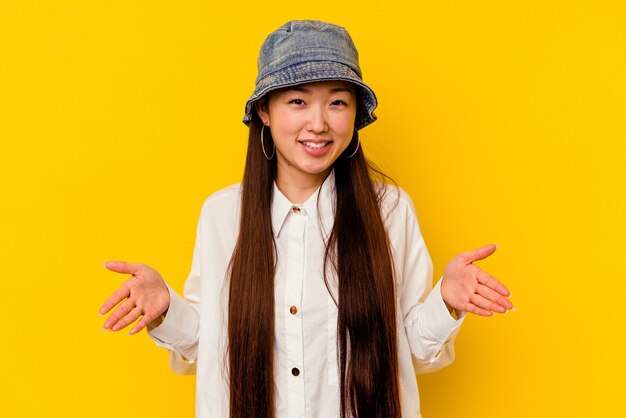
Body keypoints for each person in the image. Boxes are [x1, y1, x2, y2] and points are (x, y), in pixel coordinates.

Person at [99, 20, 513, 418]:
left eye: (337, 102)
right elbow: (212, 348)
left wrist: (446, 301)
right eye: (298, 101)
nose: (318, 124)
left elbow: (409, 352)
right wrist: (165, 310)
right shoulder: (223, 216)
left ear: (354, 114)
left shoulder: (391, 212)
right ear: (264, 110)